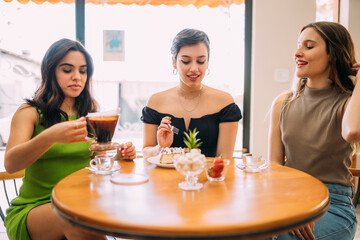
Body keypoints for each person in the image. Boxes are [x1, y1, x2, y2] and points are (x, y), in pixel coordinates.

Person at [4, 38, 136, 240]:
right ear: (50, 72)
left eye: (83, 71)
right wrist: (50, 136)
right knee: (79, 221)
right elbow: (11, 163)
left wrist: (119, 155)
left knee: (134, 218)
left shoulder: (90, 113)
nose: (77, 77)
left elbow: (97, 162)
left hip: (82, 202)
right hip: (36, 207)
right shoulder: (30, 112)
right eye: (67, 70)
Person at [268, 21, 359, 240]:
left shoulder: (347, 103)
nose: (297, 53)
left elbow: (352, 132)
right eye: (299, 45)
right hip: (289, 196)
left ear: (333, 55)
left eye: (309, 46)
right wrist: (291, 208)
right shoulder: (283, 103)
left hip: (333, 205)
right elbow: (274, 168)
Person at [141, 28, 242, 158]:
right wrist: (160, 148)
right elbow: (146, 151)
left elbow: (224, 160)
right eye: (186, 61)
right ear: (174, 62)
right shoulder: (156, 102)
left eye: (201, 61)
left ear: (208, 62)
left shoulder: (225, 103)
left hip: (208, 177)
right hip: (164, 178)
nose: (194, 69)